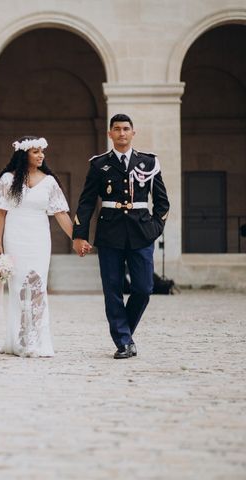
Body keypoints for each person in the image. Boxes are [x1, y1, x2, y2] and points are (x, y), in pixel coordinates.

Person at [72, 114, 170, 359]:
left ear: (133, 133)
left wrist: (155, 228)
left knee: (143, 288)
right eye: (117, 129)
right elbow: (85, 203)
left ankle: (123, 331)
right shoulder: (98, 164)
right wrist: (79, 235)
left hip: (141, 233)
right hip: (110, 233)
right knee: (112, 289)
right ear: (110, 134)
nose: (122, 133)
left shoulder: (148, 162)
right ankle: (124, 342)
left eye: (126, 129)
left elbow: (162, 202)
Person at [0, 136, 73, 357]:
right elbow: (0, 213)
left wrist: (77, 239)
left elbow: (61, 213)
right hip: (15, 236)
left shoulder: (49, 181)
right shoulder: (8, 179)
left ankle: (36, 340)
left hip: (39, 238)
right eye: (35, 151)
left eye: (42, 151)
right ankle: (19, 339)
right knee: (18, 287)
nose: (41, 155)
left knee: (37, 286)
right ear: (23, 154)